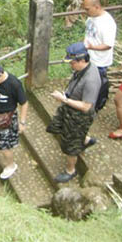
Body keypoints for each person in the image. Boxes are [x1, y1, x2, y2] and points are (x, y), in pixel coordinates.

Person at [46, 42, 101, 183]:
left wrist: (64, 100)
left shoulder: (91, 80)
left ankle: (71, 170)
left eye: (72, 62)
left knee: (71, 143)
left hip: (79, 115)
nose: (71, 65)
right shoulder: (83, 69)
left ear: (82, 60)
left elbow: (86, 107)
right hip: (70, 106)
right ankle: (86, 140)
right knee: (57, 127)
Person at [83, 0, 117, 78]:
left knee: (97, 85)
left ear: (97, 7)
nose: (86, 12)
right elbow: (88, 33)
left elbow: (108, 45)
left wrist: (92, 47)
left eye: (87, 9)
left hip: (100, 62)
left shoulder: (107, 23)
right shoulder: (91, 17)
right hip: (89, 57)